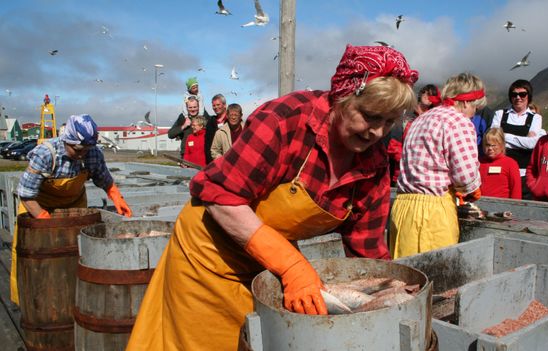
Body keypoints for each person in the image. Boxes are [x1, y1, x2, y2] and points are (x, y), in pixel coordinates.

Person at [126, 44, 418, 350]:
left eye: (389, 122)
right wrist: (291, 266)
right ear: (342, 98)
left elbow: (366, 248)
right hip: (208, 255)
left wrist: (383, 299)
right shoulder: (287, 120)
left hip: (268, 265)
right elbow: (220, 196)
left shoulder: (373, 163)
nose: (376, 132)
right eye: (370, 116)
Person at [10, 114, 132, 305]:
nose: (82, 154)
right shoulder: (45, 154)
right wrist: (43, 219)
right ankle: (32, 303)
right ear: (67, 140)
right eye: (78, 149)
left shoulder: (92, 154)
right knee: (39, 261)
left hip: (73, 206)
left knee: (76, 256)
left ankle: (76, 300)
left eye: (87, 149)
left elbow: (103, 178)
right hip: (38, 206)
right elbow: (26, 193)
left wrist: (116, 196)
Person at [390, 72, 484, 258]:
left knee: (403, 277)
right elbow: (465, 178)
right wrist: (472, 188)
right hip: (431, 215)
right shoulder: (459, 122)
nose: (474, 113)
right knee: (433, 278)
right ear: (466, 102)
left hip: (402, 208)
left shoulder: (421, 119)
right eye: (475, 107)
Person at [490, 79, 546, 199]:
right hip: (501, 170)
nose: (518, 97)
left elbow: (532, 144)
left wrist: (504, 136)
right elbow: (493, 139)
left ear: (528, 96)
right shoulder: (499, 114)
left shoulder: (536, 118)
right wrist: (524, 139)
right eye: (514, 94)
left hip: (523, 173)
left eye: (522, 94)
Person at [168, 96, 216, 161]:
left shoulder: (204, 115)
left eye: (195, 107)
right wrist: (183, 126)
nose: (193, 109)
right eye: (190, 107)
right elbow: (170, 134)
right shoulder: (183, 117)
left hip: (203, 154)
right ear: (186, 108)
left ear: (199, 107)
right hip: (186, 155)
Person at [479, 128, 522, 199]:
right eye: (487, 145)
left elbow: (516, 191)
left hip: (502, 207)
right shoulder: (479, 162)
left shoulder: (510, 164)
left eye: (493, 145)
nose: (490, 148)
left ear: (501, 145)